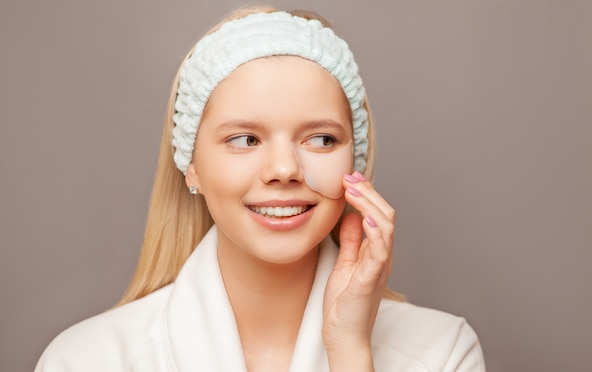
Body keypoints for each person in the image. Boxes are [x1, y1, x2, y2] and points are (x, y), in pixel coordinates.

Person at [35, 5, 486, 372]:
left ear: (356, 159)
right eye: (245, 139)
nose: (285, 169)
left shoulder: (441, 353)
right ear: (190, 165)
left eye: (321, 139)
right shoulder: (84, 360)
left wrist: (349, 351)